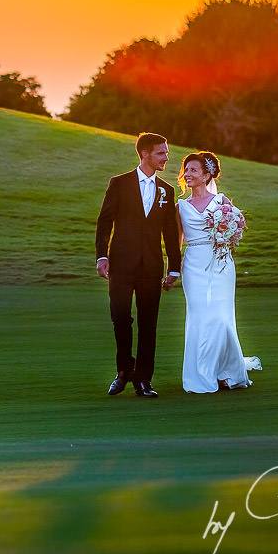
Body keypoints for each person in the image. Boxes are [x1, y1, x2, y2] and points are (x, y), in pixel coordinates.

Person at [95, 132, 182, 398]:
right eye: (161, 153)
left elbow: (170, 233)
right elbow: (105, 221)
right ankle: (124, 372)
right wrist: (102, 256)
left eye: (166, 152)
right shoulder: (119, 183)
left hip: (151, 266)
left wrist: (173, 268)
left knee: (148, 323)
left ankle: (144, 380)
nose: (166, 157)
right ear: (144, 153)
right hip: (120, 264)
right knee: (120, 318)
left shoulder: (167, 191)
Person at [176, 151, 261, 393]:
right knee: (200, 317)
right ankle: (202, 375)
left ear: (206, 175)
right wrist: (172, 270)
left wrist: (228, 236)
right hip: (193, 264)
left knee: (222, 318)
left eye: (193, 170)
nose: (187, 174)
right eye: (186, 170)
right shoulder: (180, 206)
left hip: (222, 263)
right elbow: (177, 242)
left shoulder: (222, 202)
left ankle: (225, 371)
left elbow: (236, 230)